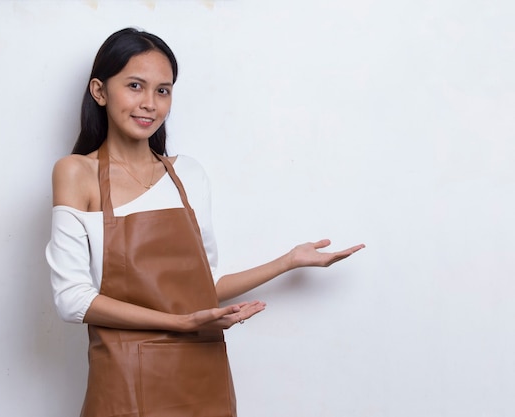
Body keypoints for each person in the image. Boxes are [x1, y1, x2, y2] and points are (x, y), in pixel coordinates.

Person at [46, 27, 364, 417]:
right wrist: (179, 323)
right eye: (134, 86)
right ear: (99, 91)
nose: (150, 103)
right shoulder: (77, 173)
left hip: (204, 373)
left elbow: (206, 285)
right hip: (125, 379)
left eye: (163, 90)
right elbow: (72, 299)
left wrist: (288, 261)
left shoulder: (189, 175)